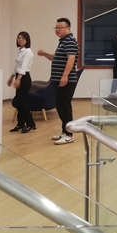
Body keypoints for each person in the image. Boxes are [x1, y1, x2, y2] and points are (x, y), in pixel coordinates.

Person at [37, 17, 79, 145]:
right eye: (56, 27)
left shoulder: (69, 41)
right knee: (60, 106)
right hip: (59, 79)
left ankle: (69, 134)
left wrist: (65, 76)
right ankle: (65, 131)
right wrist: (45, 54)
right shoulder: (63, 41)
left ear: (68, 28)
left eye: (60, 27)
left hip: (66, 80)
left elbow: (71, 59)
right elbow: (56, 58)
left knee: (64, 106)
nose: (58, 30)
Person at [8, 31, 35, 133]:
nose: (20, 40)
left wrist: (18, 79)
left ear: (27, 40)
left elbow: (23, 67)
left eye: (23, 38)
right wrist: (11, 77)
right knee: (19, 102)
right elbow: (17, 66)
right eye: (19, 38)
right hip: (18, 76)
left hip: (24, 78)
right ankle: (20, 124)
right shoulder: (20, 51)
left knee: (24, 102)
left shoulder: (28, 52)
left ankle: (30, 124)